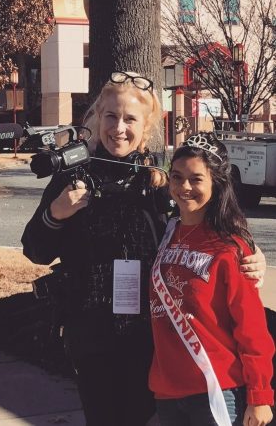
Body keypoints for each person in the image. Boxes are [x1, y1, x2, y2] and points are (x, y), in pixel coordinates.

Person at [21, 71, 266, 426]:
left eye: (130, 119)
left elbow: (214, 224)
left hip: (154, 339)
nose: (118, 128)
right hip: (91, 336)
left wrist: (252, 253)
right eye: (111, 116)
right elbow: (35, 250)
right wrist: (56, 212)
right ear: (97, 117)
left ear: (146, 125)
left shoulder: (160, 181)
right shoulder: (72, 178)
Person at [149, 132, 274, 426]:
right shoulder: (166, 234)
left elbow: (252, 328)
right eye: (177, 177)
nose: (184, 187)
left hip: (216, 388)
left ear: (216, 184)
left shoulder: (230, 246)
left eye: (196, 179)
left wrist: (260, 396)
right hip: (166, 390)